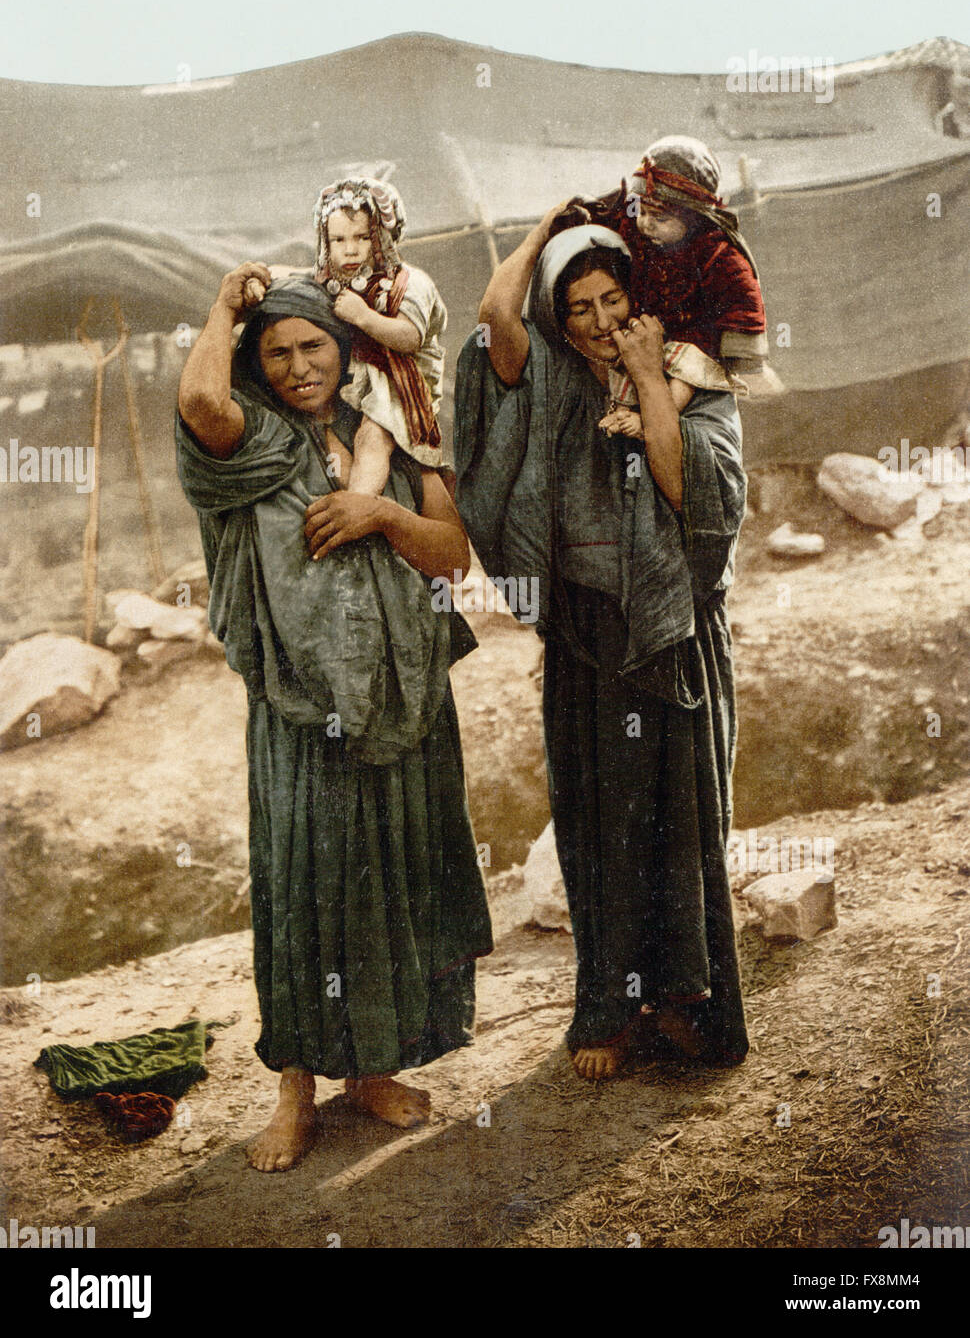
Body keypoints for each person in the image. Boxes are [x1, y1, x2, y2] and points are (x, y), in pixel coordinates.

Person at [176, 262, 492, 1170]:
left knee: (392, 879)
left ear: (344, 346)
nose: (297, 365)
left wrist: (375, 515)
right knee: (310, 889)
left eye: (313, 344)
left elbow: (450, 559)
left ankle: (372, 1070)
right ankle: (296, 1091)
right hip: (302, 708)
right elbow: (200, 401)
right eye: (274, 352)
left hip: (404, 692)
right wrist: (223, 309)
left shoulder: (394, 427)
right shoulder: (250, 441)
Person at [454, 216, 749, 1082]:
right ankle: (610, 1011)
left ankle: (689, 1002)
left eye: (611, 297)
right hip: (587, 631)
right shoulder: (545, 377)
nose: (594, 319)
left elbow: (690, 490)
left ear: (640, 297)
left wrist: (652, 378)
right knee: (598, 823)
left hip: (672, 629)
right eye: (575, 303)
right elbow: (492, 322)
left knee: (681, 824)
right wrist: (554, 224)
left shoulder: (696, 375)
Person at [552, 135, 768, 382]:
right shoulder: (635, 225)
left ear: (693, 216)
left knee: (684, 382)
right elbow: (616, 213)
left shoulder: (714, 254)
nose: (646, 223)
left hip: (693, 348)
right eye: (642, 212)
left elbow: (740, 298)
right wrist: (580, 216)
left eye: (660, 218)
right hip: (637, 337)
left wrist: (738, 352)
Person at [312, 176, 447, 496]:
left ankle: (358, 508)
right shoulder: (333, 281)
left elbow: (409, 337)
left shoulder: (410, 284)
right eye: (339, 240)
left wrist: (364, 316)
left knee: (371, 437)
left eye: (362, 238)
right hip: (352, 381)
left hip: (400, 382)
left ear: (382, 238)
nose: (350, 250)